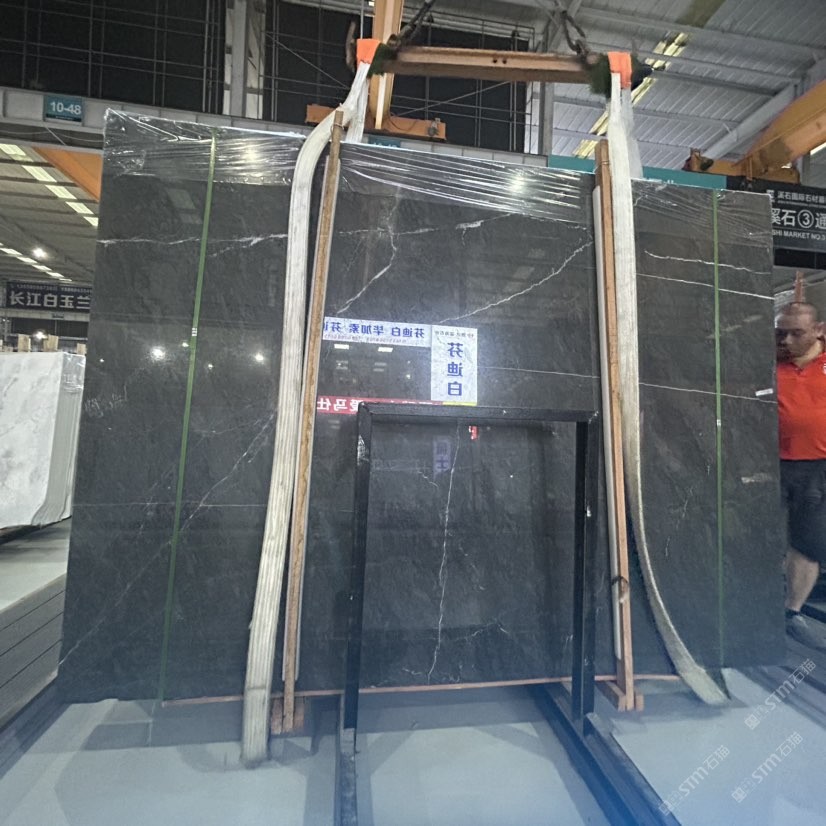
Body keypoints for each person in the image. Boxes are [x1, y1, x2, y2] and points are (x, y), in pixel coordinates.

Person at [776, 301, 826, 650]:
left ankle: (791, 612)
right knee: (763, 537)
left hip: (818, 467)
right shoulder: (768, 366)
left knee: (807, 541)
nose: (787, 341)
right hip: (771, 464)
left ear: (818, 330)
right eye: (781, 333)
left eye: (797, 333)